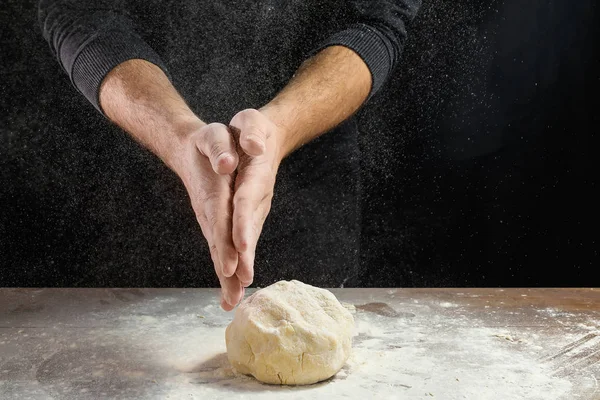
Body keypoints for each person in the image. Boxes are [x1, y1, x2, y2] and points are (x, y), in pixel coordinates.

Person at [38, 0, 421, 310]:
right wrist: (177, 137)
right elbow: (76, 12)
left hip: (306, 187)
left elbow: (375, 20)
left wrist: (281, 128)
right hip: (134, 179)